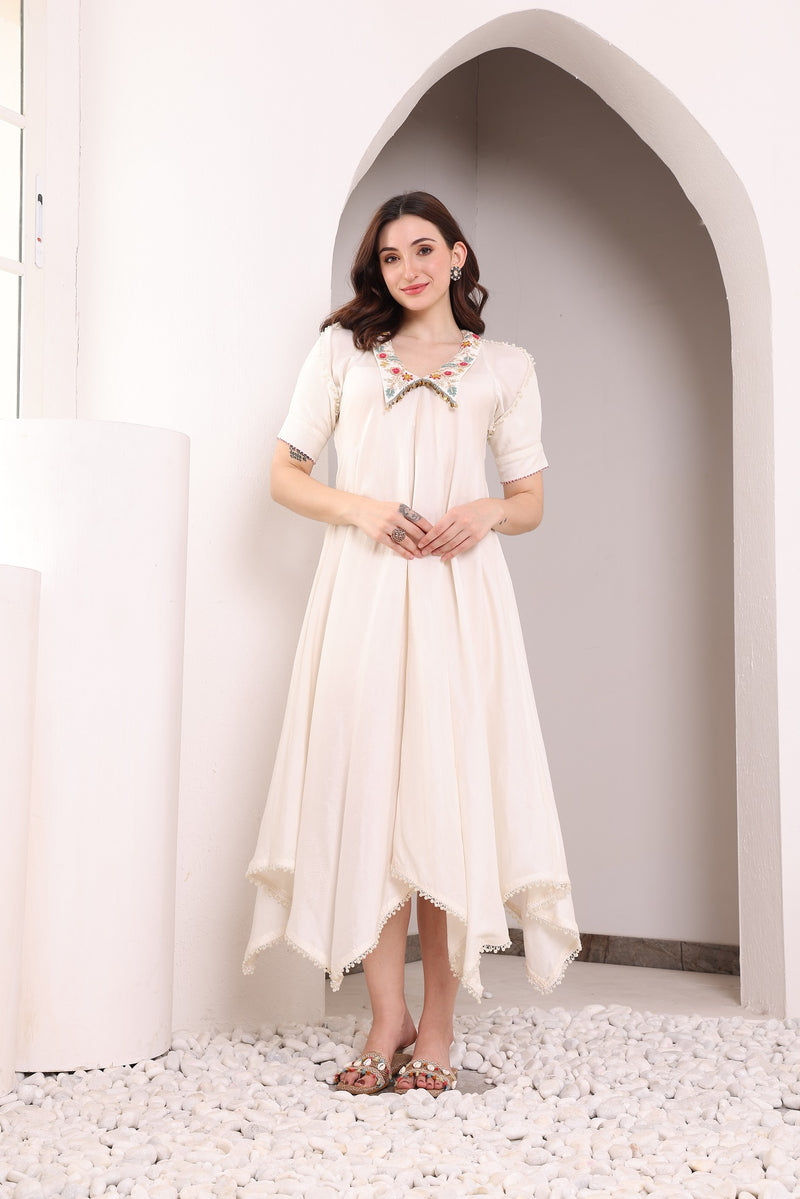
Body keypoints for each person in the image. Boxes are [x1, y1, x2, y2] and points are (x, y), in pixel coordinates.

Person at [243, 191, 580, 1096]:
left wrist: (486, 512)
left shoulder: (505, 367)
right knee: (372, 790)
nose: (409, 269)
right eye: (390, 257)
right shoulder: (342, 352)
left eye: (424, 249)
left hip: (457, 598)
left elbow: (531, 502)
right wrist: (362, 508)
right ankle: (384, 1014)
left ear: (458, 255)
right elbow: (284, 473)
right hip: (361, 593)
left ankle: (438, 1024)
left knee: (442, 791)